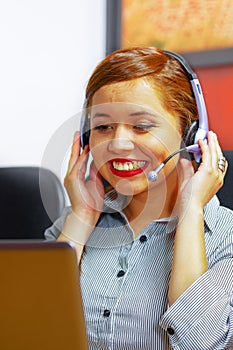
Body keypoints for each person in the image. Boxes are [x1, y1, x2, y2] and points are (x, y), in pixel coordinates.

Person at [45, 47, 233, 349]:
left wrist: (191, 213)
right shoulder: (69, 227)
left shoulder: (226, 238)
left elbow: (203, 343)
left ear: (191, 133)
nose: (118, 143)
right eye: (103, 126)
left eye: (141, 126)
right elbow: (31, 330)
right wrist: (80, 219)